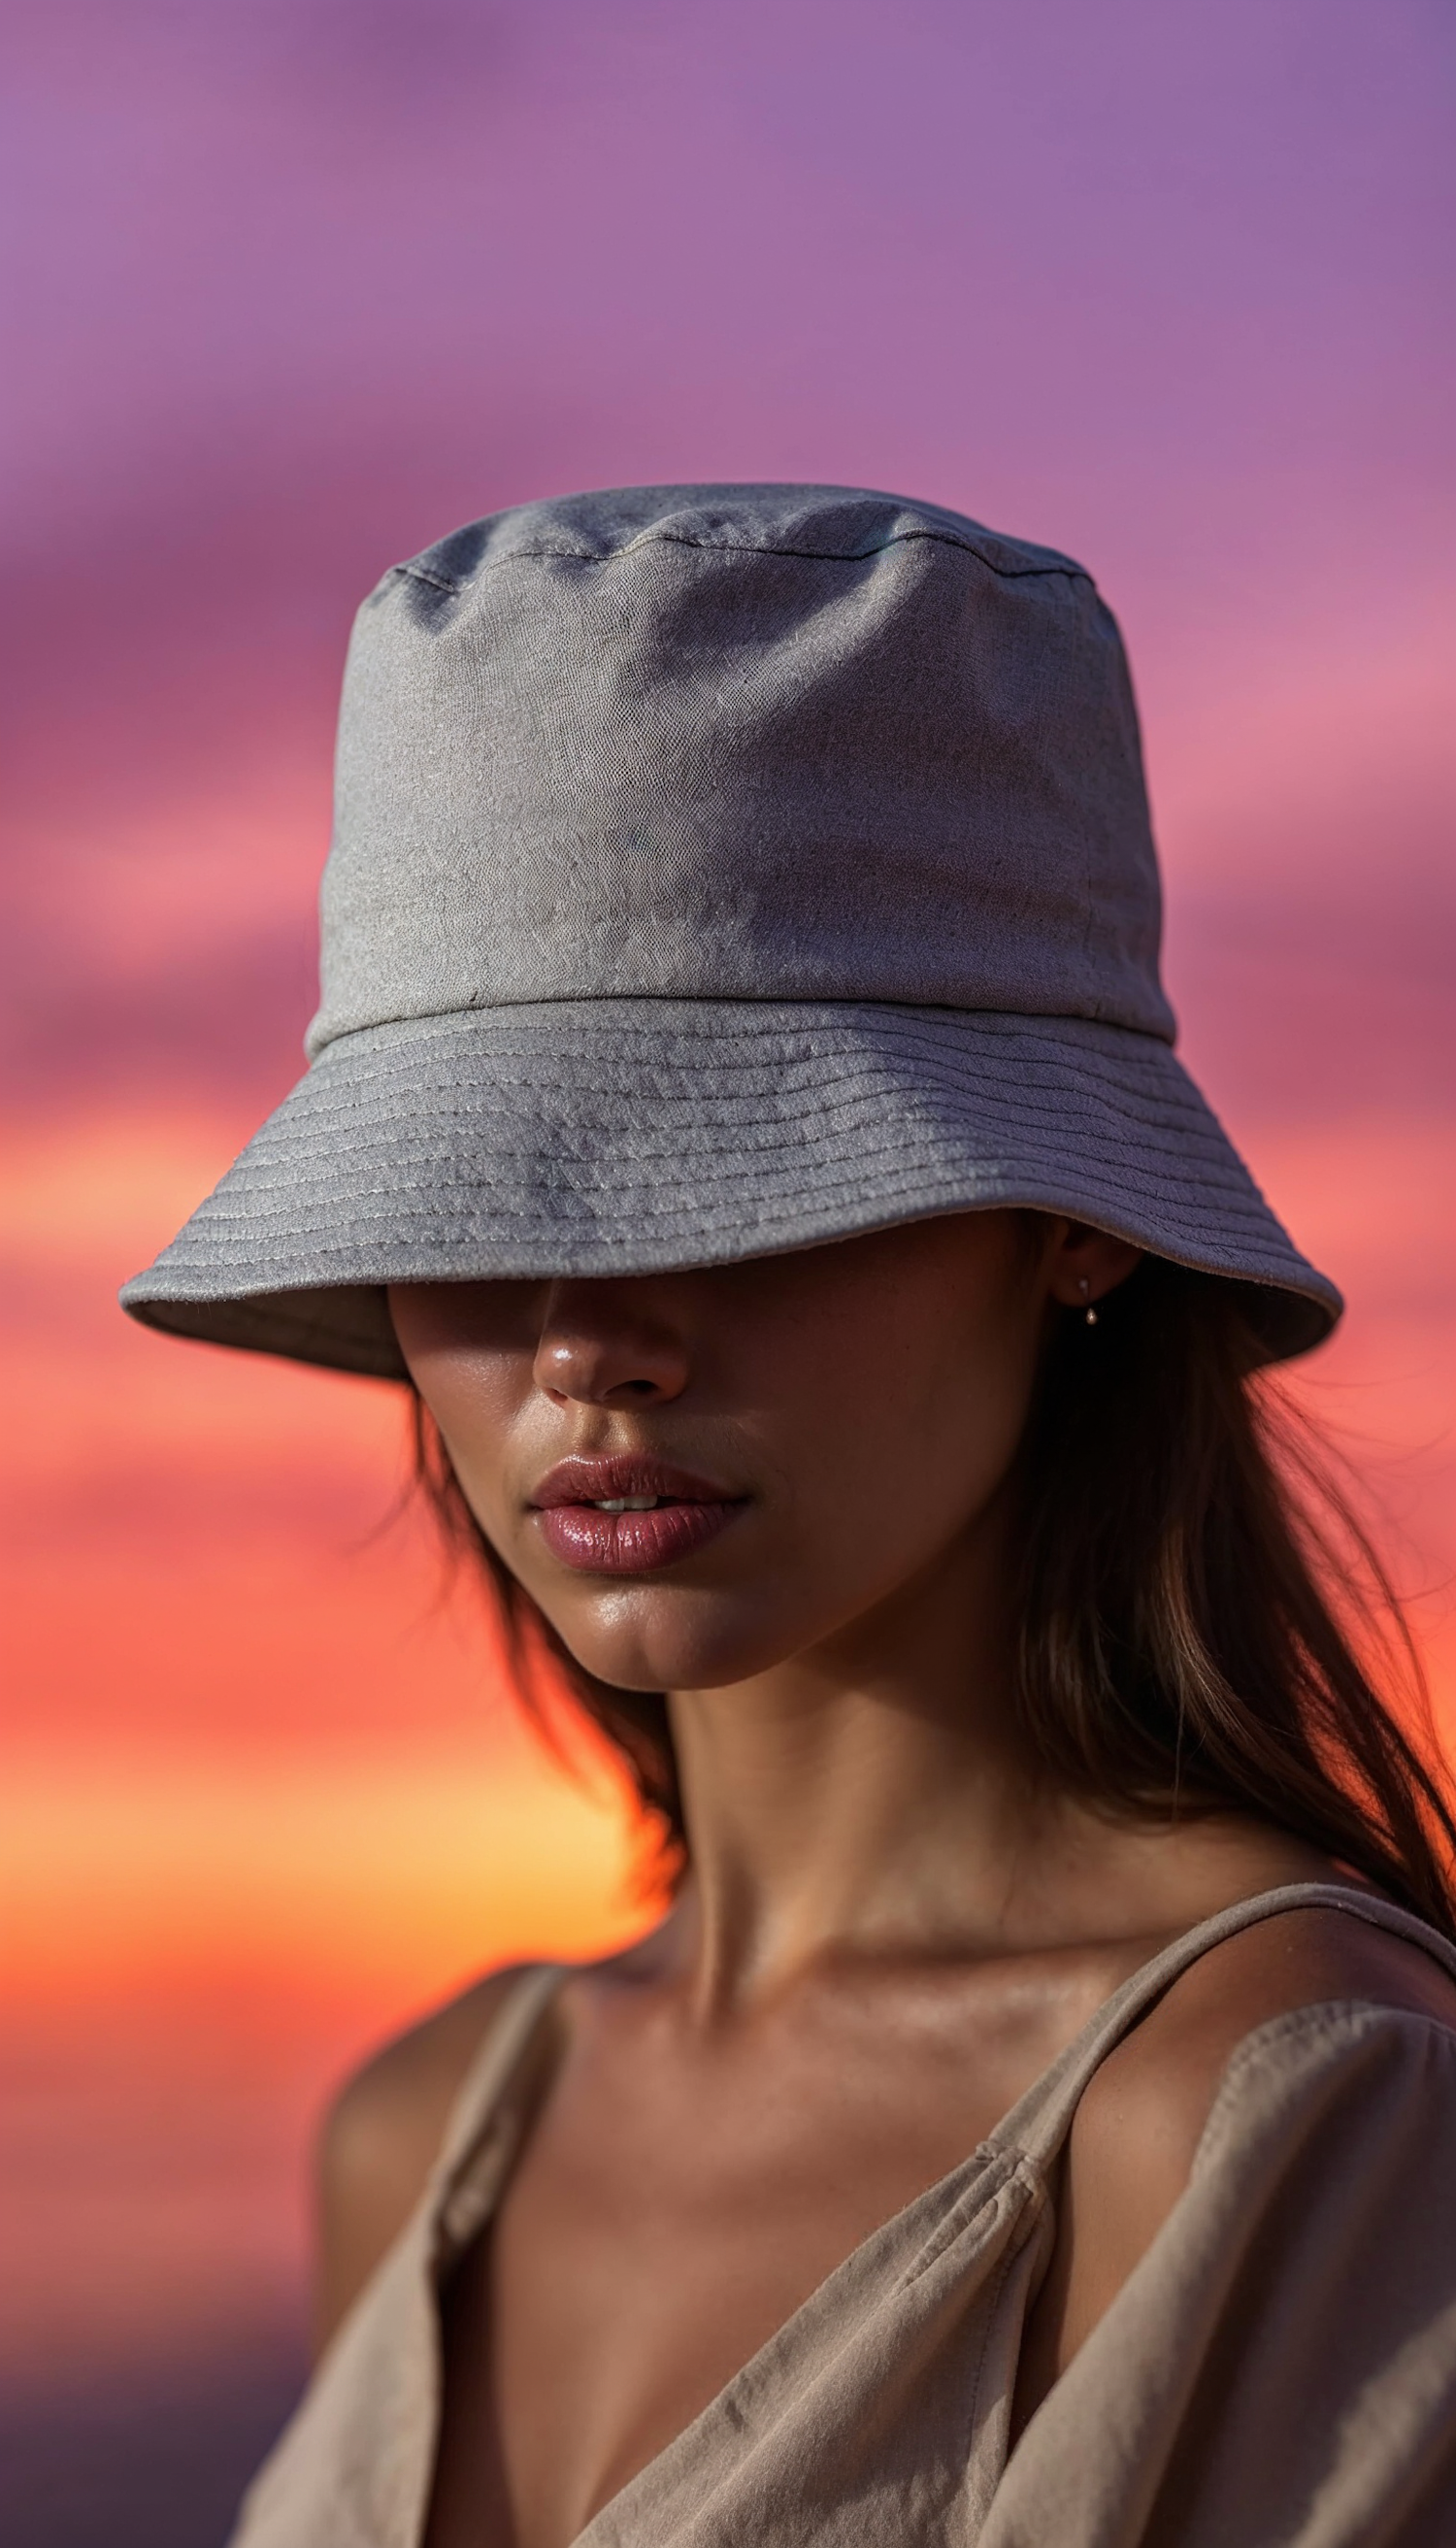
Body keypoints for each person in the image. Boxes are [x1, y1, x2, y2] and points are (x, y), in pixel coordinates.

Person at [122, 484, 1456, 2547]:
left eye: (727, 1178)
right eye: (475, 1202)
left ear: (1072, 1220)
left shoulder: (1293, 2104)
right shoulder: (426, 2131)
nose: (590, 1341)